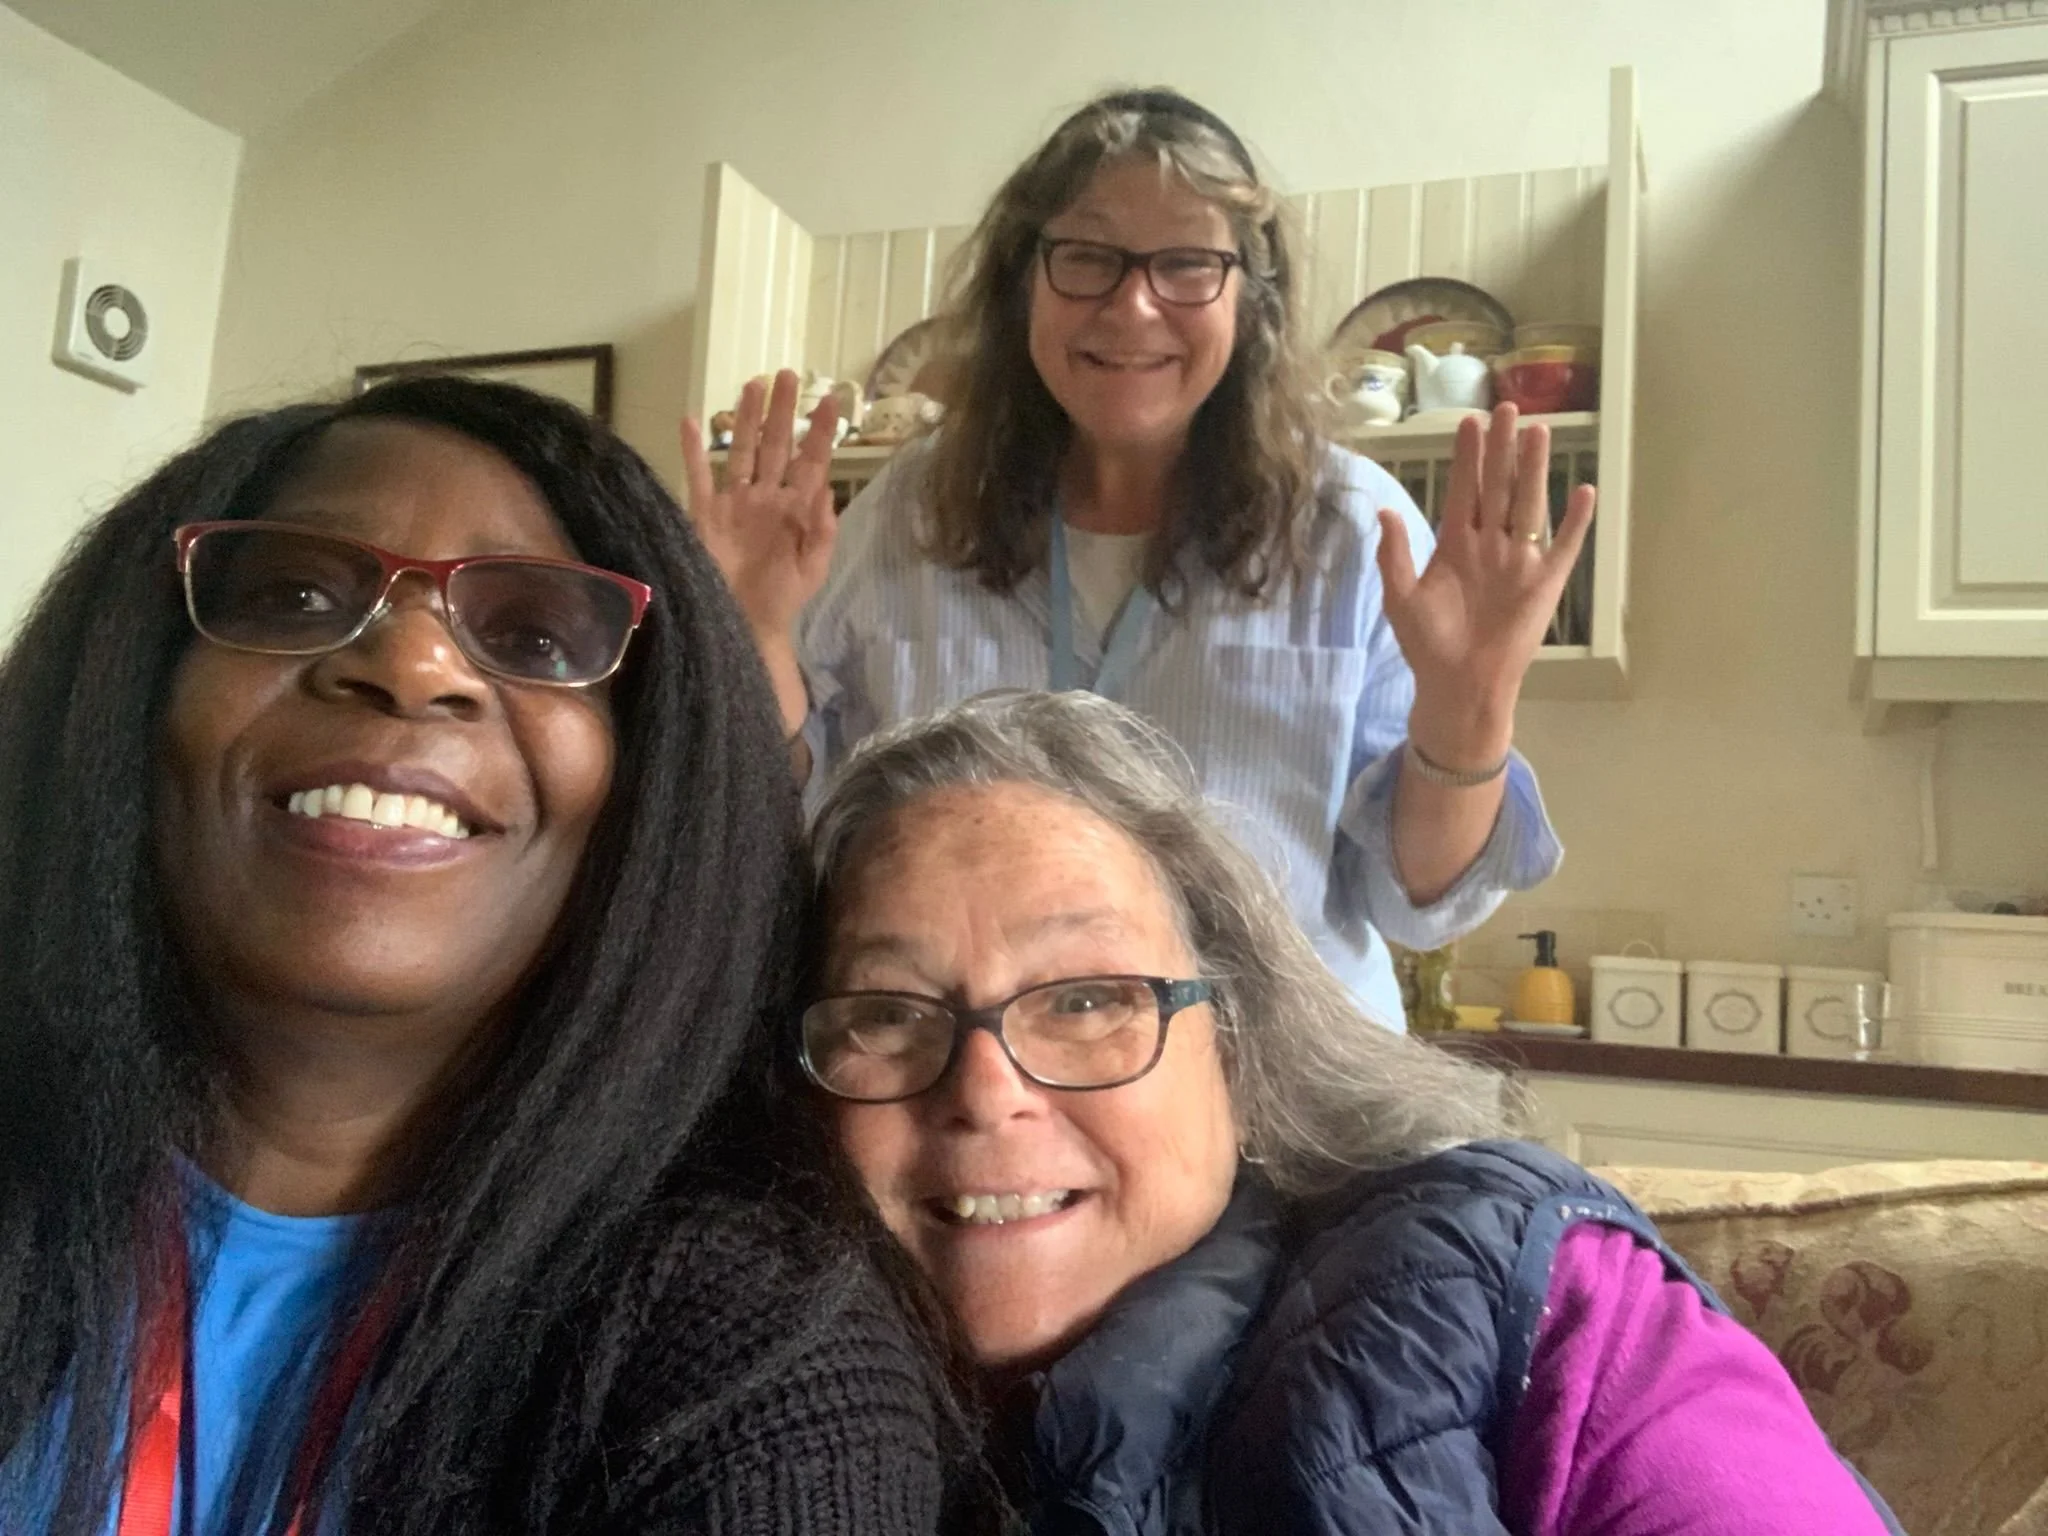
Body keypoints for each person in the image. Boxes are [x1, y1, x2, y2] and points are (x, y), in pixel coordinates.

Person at [0, 377, 971, 1535]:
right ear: (128, 687)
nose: (414, 665)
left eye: (532, 637)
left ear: (648, 784)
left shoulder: (751, 1353)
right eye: (299, 592)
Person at [794, 689, 1904, 1536]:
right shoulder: (722, 1371)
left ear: (1231, 1039)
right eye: (887, 1015)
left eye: (1087, 999)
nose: (985, 1093)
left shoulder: (1532, 1301)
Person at [683, 87, 1593, 1029]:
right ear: (1021, 283)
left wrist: (1470, 702)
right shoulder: (904, 515)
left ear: (1251, 298)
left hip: (1283, 1116)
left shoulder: (1351, 527)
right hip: (971, 1074)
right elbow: (778, 836)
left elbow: (1422, 902)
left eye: (1189, 263)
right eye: (1086, 256)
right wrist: (752, 635)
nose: (1134, 305)